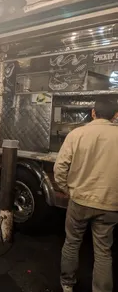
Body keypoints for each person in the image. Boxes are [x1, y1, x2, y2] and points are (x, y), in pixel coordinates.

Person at [54, 97, 118, 292]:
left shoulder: (77, 134)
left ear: (93, 112)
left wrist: (69, 190)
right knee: (103, 251)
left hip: (79, 200)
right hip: (110, 204)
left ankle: (67, 284)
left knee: (72, 243)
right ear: (116, 115)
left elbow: (60, 168)